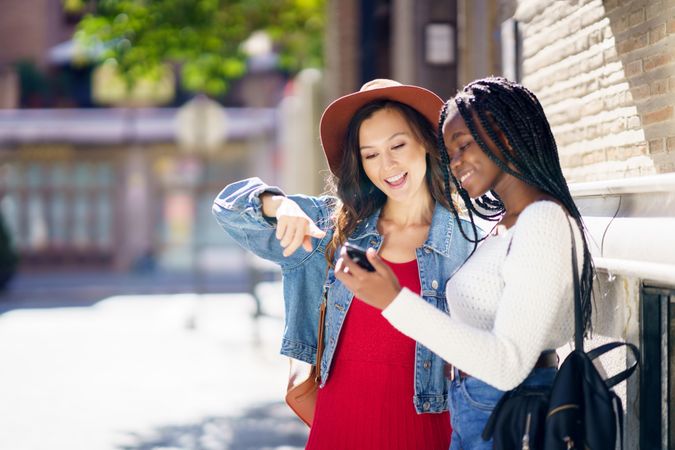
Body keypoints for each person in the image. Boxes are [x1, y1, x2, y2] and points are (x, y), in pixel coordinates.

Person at [212, 79, 476, 449]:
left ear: (426, 144)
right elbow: (228, 208)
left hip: (428, 428)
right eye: (370, 154)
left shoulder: (469, 240)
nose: (387, 165)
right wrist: (278, 203)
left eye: (397, 145)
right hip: (341, 424)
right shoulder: (331, 229)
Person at [335, 76, 593, 449]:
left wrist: (393, 300)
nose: (455, 163)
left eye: (463, 146)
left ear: (504, 137)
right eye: (450, 153)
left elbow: (508, 364)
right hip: (478, 409)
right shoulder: (505, 226)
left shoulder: (543, 222)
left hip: (512, 415)